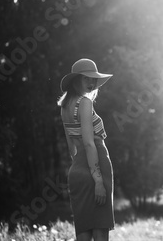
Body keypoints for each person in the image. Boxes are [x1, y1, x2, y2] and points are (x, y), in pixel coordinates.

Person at [58, 58, 115, 241]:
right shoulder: (84, 103)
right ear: (76, 80)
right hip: (94, 170)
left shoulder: (65, 106)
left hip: (77, 172)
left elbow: (72, 148)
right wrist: (98, 180)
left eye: (94, 79)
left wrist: (81, 171)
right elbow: (90, 144)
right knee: (100, 233)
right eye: (86, 79)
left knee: (83, 234)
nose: (91, 83)